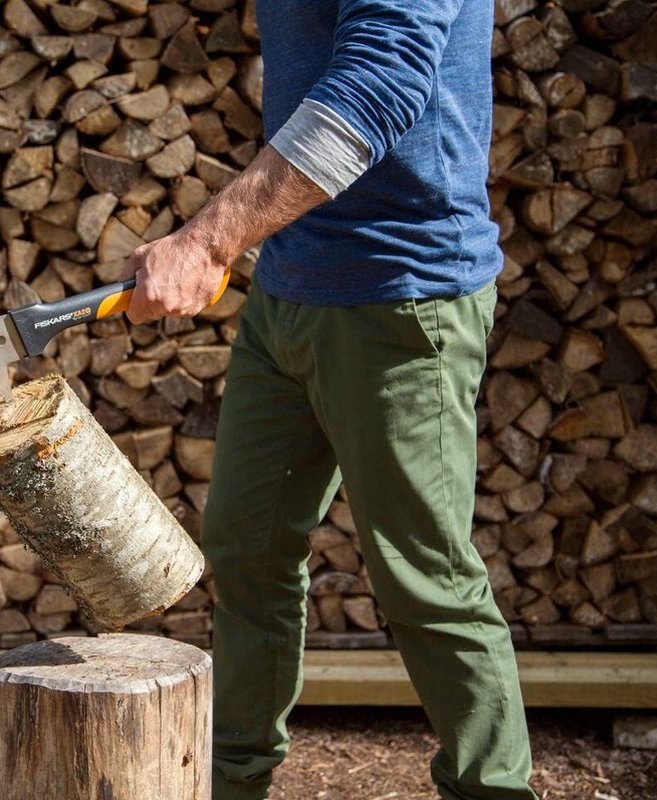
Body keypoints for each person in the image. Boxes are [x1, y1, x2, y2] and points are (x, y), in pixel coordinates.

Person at [121, 2, 539, 799]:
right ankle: (231, 782)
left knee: (427, 577)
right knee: (248, 549)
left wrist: (209, 239)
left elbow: (380, 82)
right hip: (289, 287)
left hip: (401, 296)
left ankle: (493, 791)